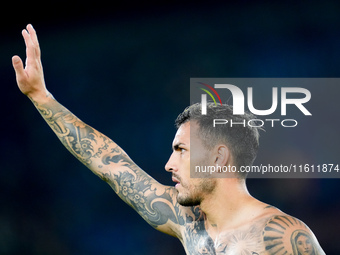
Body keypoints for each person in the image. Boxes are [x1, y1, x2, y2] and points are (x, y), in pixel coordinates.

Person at [12, 24, 325, 255]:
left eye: (182, 150)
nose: (168, 164)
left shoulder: (285, 237)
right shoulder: (187, 221)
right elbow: (109, 163)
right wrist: (41, 97)